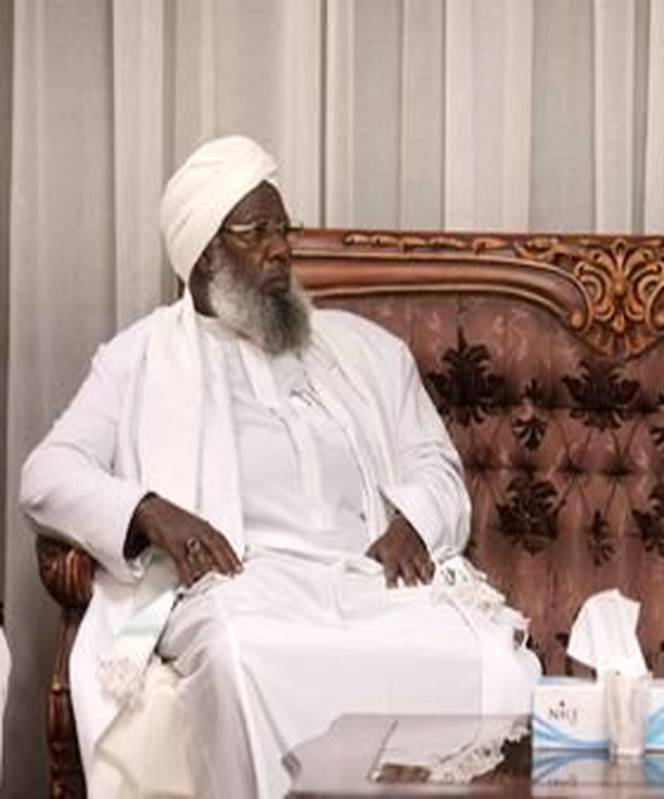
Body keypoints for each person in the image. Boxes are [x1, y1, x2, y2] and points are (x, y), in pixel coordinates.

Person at [20, 135, 541, 797]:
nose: (281, 249)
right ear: (204, 253)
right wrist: (150, 512)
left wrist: (412, 520)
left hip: (367, 582)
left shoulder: (365, 351)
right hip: (243, 586)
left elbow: (433, 461)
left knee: (492, 659)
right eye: (256, 232)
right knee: (239, 658)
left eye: (282, 229)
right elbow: (47, 474)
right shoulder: (138, 359)